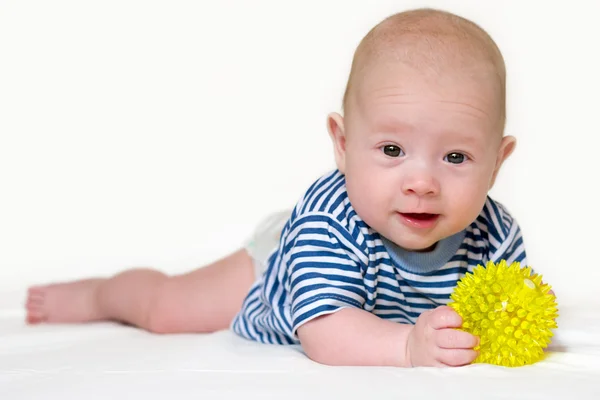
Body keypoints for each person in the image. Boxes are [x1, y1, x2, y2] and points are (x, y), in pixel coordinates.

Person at [25, 8, 528, 368]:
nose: (421, 184)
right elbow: (325, 334)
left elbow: (510, 310)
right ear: (343, 143)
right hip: (282, 263)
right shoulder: (328, 225)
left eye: (456, 157)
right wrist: (406, 349)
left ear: (497, 163)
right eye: (392, 151)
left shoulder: (496, 233)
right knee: (167, 309)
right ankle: (97, 295)